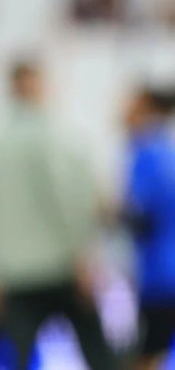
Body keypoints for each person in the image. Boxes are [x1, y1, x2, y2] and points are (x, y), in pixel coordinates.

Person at [0, 60, 116, 370]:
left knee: (16, 358)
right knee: (99, 356)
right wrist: (84, 254)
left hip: (13, 272)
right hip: (63, 266)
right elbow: (70, 200)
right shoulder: (60, 136)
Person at [121, 85, 175, 370]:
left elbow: (141, 216)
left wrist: (109, 213)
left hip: (161, 276)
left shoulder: (147, 151)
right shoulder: (167, 149)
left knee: (147, 355)